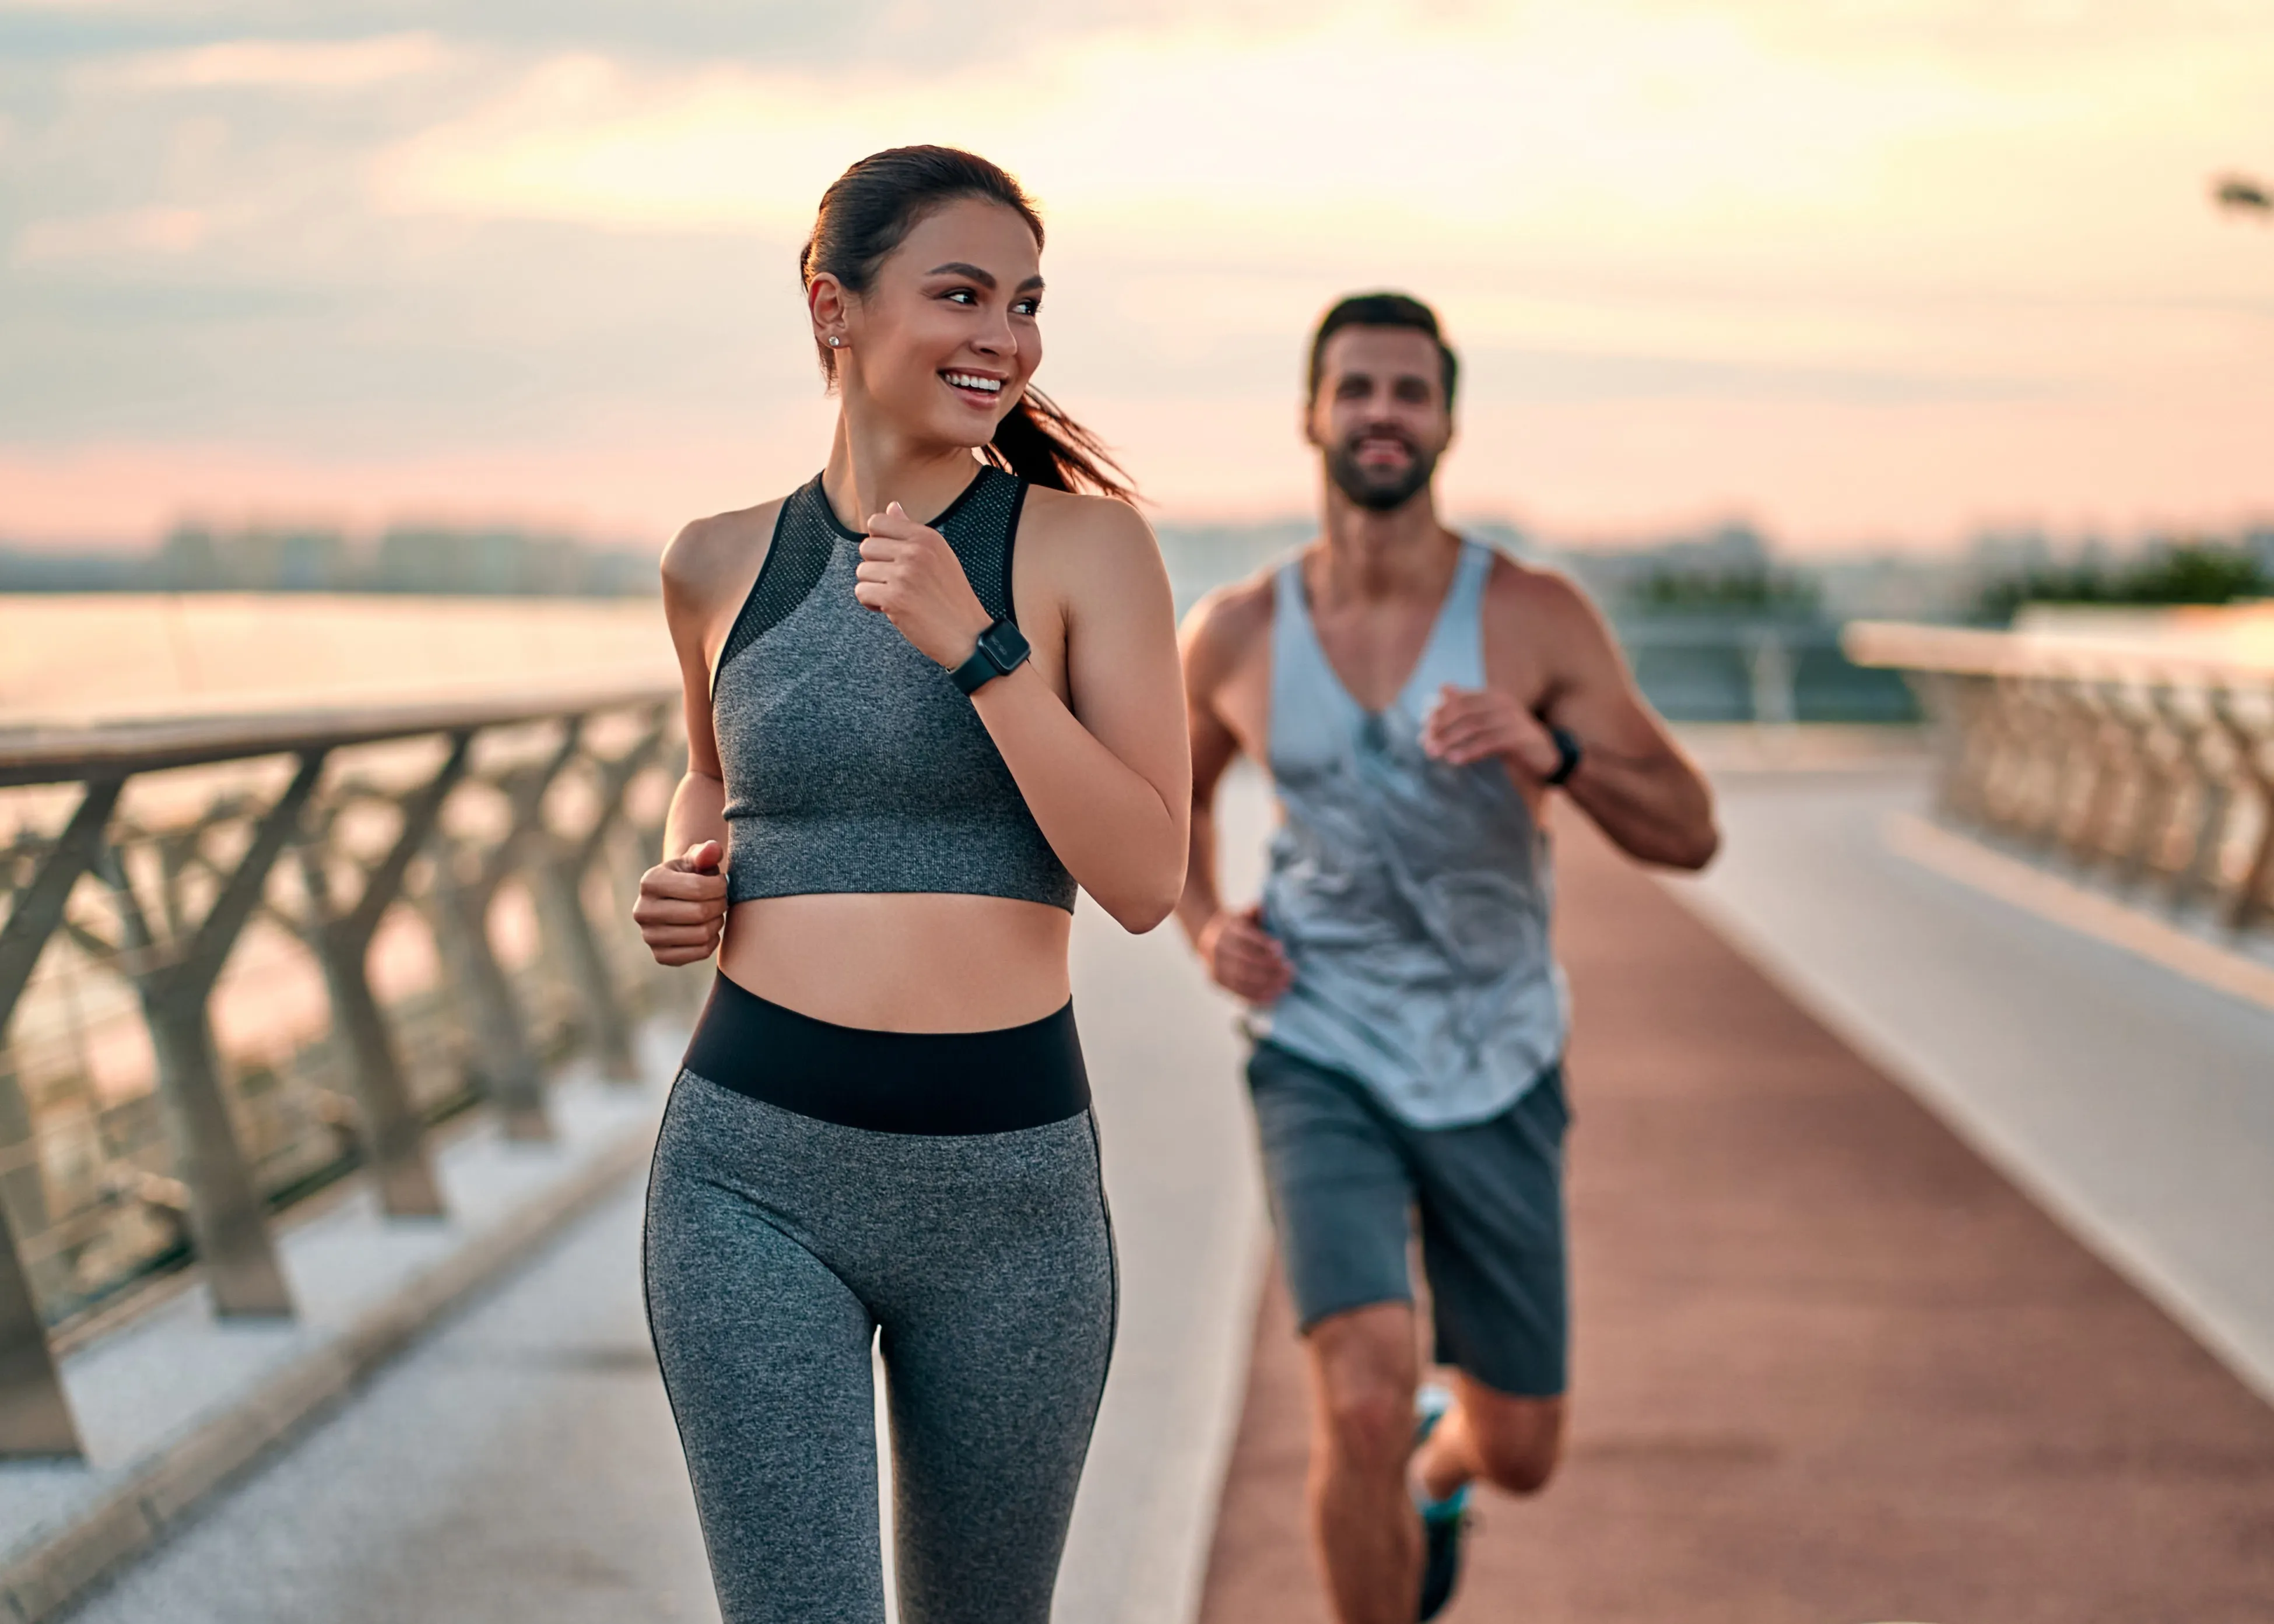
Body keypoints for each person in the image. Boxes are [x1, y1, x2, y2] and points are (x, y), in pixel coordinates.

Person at [631, 145, 1188, 1624]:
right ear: (835, 306)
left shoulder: (1082, 548)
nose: (1003, 337)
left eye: (1024, 302)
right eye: (961, 293)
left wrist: (979, 648)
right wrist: (684, 882)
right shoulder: (713, 560)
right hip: (750, 1177)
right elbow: (715, 779)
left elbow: (1144, 875)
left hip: (1011, 1196)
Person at [1177, 291, 1718, 1623]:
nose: (1380, 413)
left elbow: (1691, 832)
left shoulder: (1532, 616)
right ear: (1312, 411)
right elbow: (1164, 801)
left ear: (1447, 422)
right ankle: (1394, 1458)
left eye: (1408, 392)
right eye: (1356, 388)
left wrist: (1558, 754)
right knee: (1353, 1399)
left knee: (1524, 1446)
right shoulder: (1239, 631)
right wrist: (1207, 924)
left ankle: (1447, 1462)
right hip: (1319, 1047)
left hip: (1498, 1055)